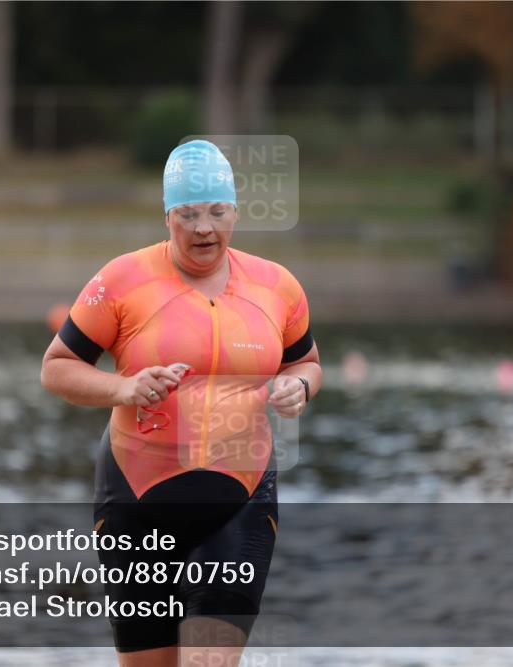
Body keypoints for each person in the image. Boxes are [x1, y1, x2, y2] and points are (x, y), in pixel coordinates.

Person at [41, 139, 321, 667]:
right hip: (137, 503)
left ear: (236, 210)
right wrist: (122, 388)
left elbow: (306, 362)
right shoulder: (123, 280)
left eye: (217, 212)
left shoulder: (276, 286)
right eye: (188, 214)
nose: (203, 228)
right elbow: (56, 367)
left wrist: (299, 387)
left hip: (241, 501)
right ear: (167, 215)